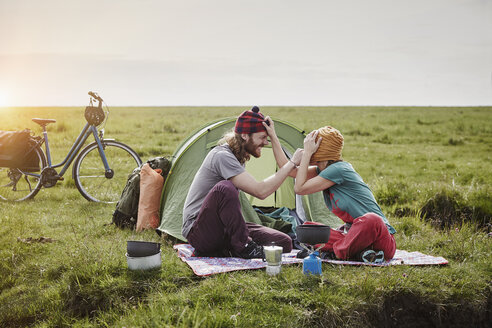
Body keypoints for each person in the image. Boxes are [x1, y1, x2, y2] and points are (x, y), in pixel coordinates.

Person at [266, 122, 396, 263]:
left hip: (379, 238)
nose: (308, 148)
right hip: (353, 236)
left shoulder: (339, 170)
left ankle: (335, 253)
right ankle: (361, 253)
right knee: (309, 228)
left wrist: (307, 154)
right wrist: (273, 135)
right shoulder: (322, 171)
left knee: (372, 219)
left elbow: (300, 188)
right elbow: (289, 170)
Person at [182, 106, 302, 259]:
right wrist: (292, 163)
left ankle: (227, 249)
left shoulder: (237, 157)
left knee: (283, 242)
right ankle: (244, 247)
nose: (266, 143)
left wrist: (273, 135)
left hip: (222, 228)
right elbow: (260, 191)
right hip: (199, 231)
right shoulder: (221, 156)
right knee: (224, 189)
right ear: (245, 135)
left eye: (267, 138)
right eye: (262, 138)